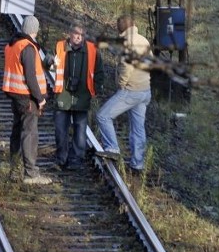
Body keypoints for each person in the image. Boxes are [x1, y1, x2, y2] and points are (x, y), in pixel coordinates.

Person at [95, 15, 152, 173]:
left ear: (121, 29)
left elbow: (126, 67)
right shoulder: (144, 40)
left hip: (131, 90)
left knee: (103, 116)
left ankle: (112, 148)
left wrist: (121, 84)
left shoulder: (127, 43)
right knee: (138, 129)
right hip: (145, 91)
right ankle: (137, 164)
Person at [2, 15, 52, 185]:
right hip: (26, 96)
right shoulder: (28, 47)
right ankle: (31, 174)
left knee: (17, 131)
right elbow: (30, 76)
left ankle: (14, 169)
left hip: (15, 94)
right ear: (34, 30)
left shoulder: (13, 44)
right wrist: (40, 98)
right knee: (30, 133)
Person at [50, 23, 103, 170]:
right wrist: (49, 61)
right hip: (63, 94)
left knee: (80, 129)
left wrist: (97, 89)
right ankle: (62, 159)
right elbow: (48, 61)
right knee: (61, 129)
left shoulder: (92, 49)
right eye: (76, 33)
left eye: (82, 34)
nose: (79, 37)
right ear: (69, 33)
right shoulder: (60, 46)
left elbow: (99, 72)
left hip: (82, 96)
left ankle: (76, 160)